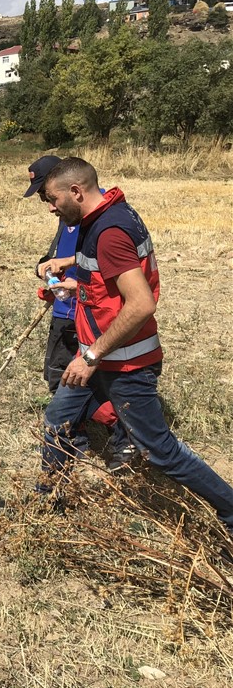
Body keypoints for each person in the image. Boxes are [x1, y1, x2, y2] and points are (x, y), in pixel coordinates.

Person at [36, 157, 233, 535]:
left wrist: (92, 355)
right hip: (98, 353)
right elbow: (115, 284)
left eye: (53, 199)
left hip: (123, 361)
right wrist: (80, 284)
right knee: (58, 419)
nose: (51, 208)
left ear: (76, 191)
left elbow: (141, 303)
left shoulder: (109, 231)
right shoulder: (112, 215)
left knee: (160, 451)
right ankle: (47, 500)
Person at [25, 155, 130, 470]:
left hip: (85, 313)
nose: (48, 205)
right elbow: (66, 257)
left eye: (48, 196)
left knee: (79, 382)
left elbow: (101, 272)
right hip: (67, 306)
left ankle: (124, 435)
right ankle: (75, 442)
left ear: (69, 189)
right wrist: (48, 270)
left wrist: (73, 283)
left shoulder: (98, 221)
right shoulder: (68, 218)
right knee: (62, 378)